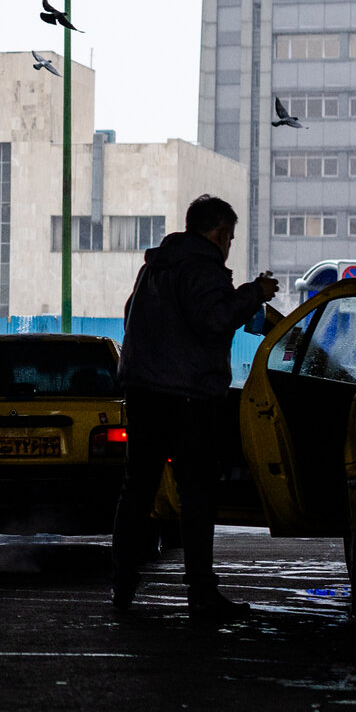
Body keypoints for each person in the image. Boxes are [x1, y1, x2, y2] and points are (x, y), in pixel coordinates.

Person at [111, 194, 279, 622]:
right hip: (187, 395)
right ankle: (202, 594)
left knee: (138, 489)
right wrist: (253, 293)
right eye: (230, 237)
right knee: (196, 494)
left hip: (145, 390)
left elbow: (134, 313)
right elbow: (213, 319)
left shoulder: (157, 266)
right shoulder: (202, 266)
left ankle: (122, 582)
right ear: (221, 232)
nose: (229, 245)